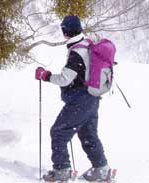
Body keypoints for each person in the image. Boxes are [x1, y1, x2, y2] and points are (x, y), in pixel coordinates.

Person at [35, 15, 110, 182]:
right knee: (88, 135)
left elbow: (65, 79)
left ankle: (62, 171)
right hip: (93, 98)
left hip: (80, 99)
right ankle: (102, 170)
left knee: (59, 132)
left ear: (64, 32)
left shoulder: (77, 51)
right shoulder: (88, 44)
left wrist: (45, 76)